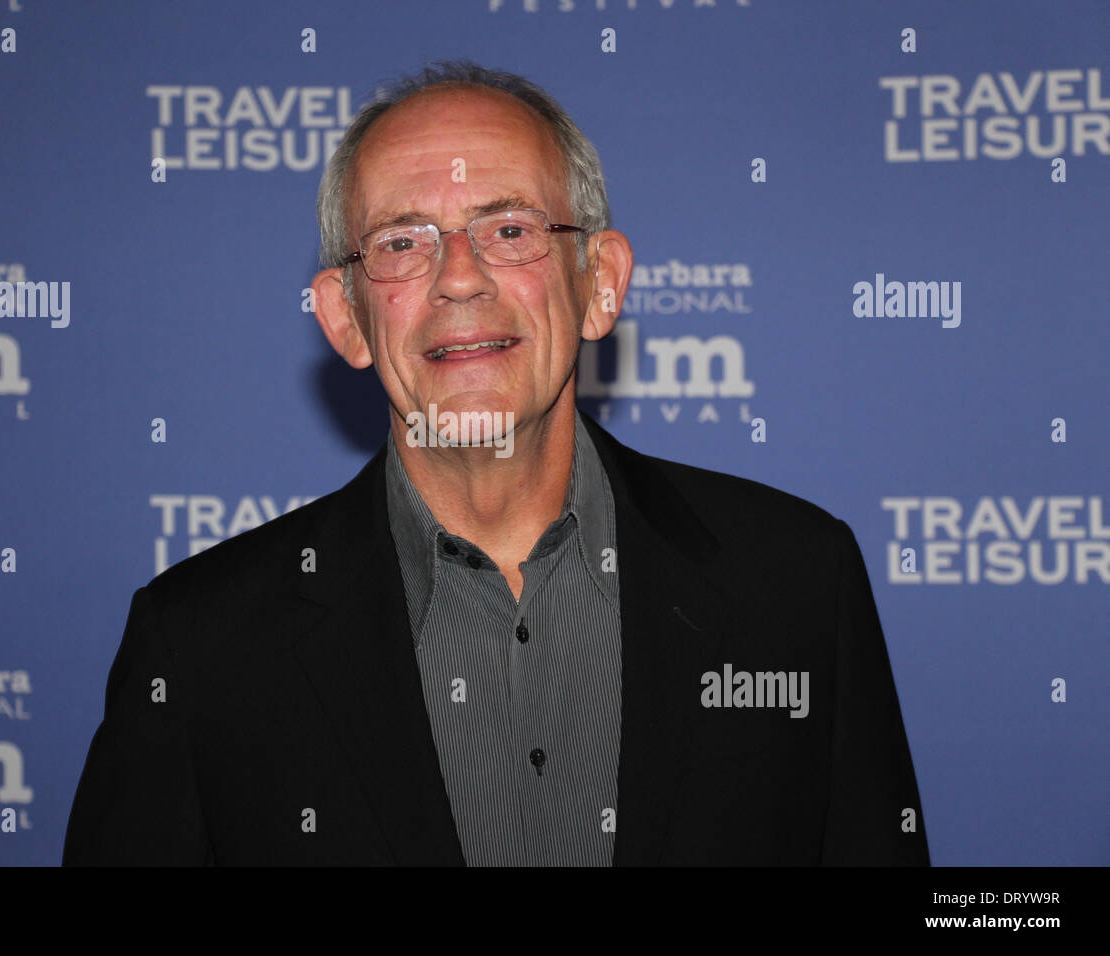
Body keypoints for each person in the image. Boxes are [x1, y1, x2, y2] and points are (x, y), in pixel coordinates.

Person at [63, 61, 930, 866]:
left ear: (599, 284)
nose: (460, 278)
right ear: (344, 317)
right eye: (403, 242)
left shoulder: (797, 583)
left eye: (509, 229)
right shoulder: (202, 647)